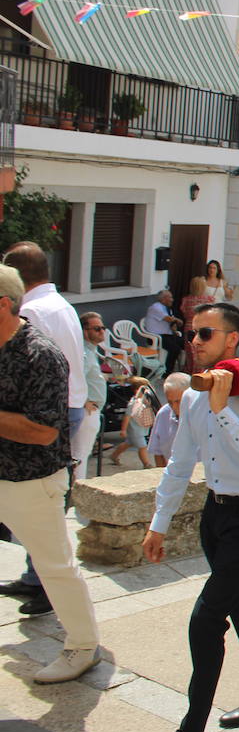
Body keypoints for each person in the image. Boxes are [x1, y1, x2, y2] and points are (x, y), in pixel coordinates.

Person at [138, 303, 239, 732]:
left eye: (205, 334)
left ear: (231, 340)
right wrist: (158, 523)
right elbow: (181, 462)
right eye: (191, 334)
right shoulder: (195, 396)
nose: (195, 342)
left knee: (206, 619)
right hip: (216, 517)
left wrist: (225, 412)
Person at [0, 262, 100, 683]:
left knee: (55, 567)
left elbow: (43, 431)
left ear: (4, 304)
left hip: (31, 481)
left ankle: (82, 646)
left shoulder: (39, 354)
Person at [0, 242, 85, 605]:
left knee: (42, 508)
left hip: (48, 410)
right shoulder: (61, 304)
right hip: (71, 404)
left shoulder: (31, 311)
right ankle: (36, 578)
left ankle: (46, 586)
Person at [73, 312, 109, 480]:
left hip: (91, 410)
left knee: (82, 455)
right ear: (85, 331)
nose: (101, 332)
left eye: (103, 328)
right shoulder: (85, 353)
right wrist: (85, 401)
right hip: (87, 412)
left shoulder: (91, 351)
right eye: (96, 329)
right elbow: (74, 379)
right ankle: (77, 497)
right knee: (80, 455)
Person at [110, 377, 155, 469]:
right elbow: (127, 416)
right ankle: (146, 463)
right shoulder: (134, 403)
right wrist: (123, 430)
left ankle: (114, 455)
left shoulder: (144, 401)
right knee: (143, 446)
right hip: (135, 429)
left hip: (139, 429)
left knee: (128, 443)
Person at [148, 372, 190, 468]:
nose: (175, 407)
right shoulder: (164, 414)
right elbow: (158, 453)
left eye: (178, 401)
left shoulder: (203, 413)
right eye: (170, 402)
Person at [142, 288, 184, 371]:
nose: (172, 300)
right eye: (170, 298)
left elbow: (173, 324)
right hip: (156, 337)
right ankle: (167, 371)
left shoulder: (167, 309)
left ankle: (183, 367)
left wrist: (175, 328)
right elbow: (168, 319)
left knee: (185, 344)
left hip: (167, 335)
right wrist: (178, 321)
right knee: (175, 349)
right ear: (163, 299)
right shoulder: (155, 307)